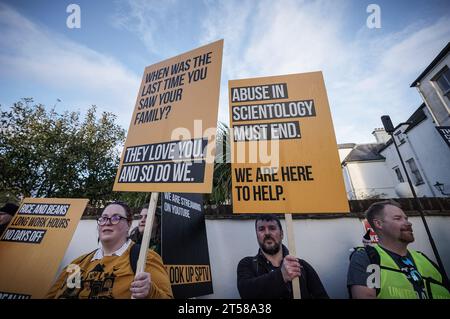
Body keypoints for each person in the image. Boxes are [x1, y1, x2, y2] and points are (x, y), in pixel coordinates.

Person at [46, 201, 173, 299]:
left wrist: (150, 291)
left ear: (129, 224)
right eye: (104, 218)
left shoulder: (145, 257)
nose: (107, 222)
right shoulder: (78, 263)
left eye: (116, 218)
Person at [347, 200, 450, 299]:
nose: (409, 223)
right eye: (398, 218)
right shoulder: (368, 258)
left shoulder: (423, 258)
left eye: (406, 218)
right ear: (378, 224)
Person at [237, 214, 329, 299]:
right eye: (261, 229)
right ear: (257, 235)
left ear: (282, 234)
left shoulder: (301, 266)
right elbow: (246, 293)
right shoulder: (247, 264)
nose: (267, 233)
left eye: (272, 228)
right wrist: (281, 276)